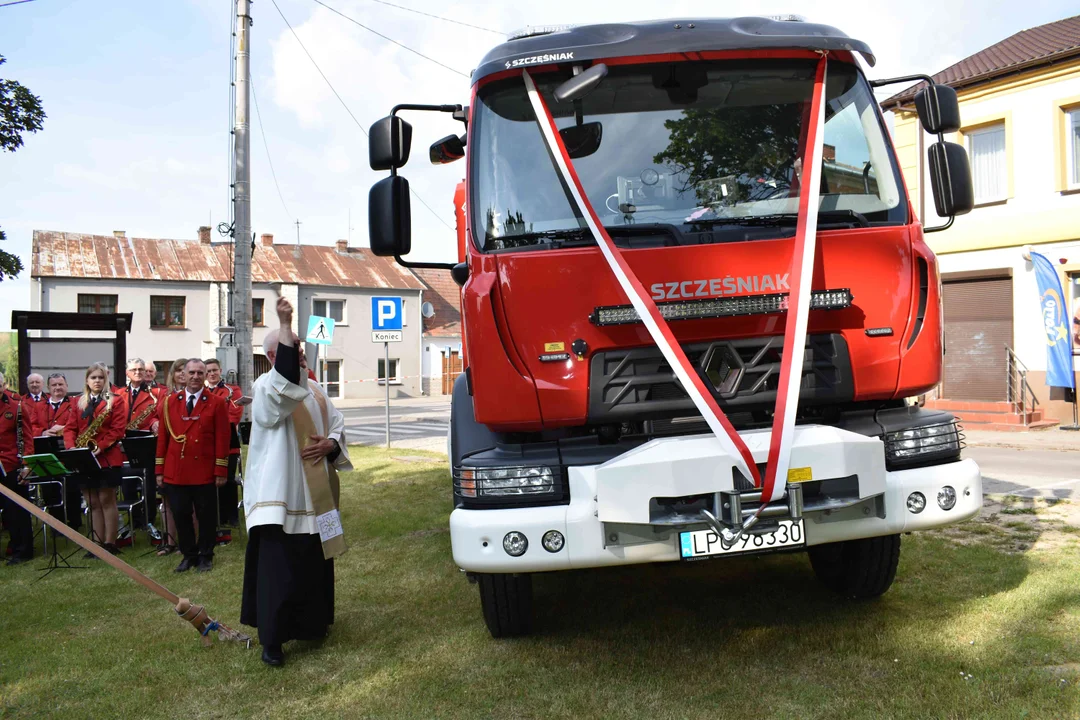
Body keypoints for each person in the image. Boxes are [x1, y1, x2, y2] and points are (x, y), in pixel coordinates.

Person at [241, 297, 352, 667]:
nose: (300, 355)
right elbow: (284, 388)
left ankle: (311, 624)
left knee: (313, 564)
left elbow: (336, 424)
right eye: (292, 349)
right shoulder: (266, 388)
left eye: (300, 349)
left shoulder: (317, 389)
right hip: (283, 497)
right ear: (274, 356)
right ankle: (272, 641)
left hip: (317, 491)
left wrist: (331, 444)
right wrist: (286, 323)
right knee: (280, 572)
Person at [155, 359, 230, 573]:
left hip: (204, 471)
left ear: (205, 375)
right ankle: (188, 555)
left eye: (200, 373)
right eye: (191, 373)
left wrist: (220, 470)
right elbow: (163, 439)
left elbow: (222, 440)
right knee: (181, 514)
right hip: (176, 470)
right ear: (183, 375)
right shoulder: (170, 402)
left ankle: (206, 555)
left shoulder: (216, 403)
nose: (195, 377)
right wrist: (159, 469)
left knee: (206, 516)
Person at [63, 362, 128, 555]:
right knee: (91, 501)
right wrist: (72, 448)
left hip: (107, 456)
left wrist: (102, 446)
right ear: (87, 380)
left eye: (101, 377)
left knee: (106, 499)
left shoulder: (115, 401)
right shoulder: (77, 402)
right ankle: (96, 544)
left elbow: (118, 430)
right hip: (83, 456)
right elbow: (70, 428)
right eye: (93, 378)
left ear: (105, 380)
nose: (97, 381)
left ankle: (110, 543)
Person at [23, 373, 82, 531]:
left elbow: (79, 424)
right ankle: (56, 524)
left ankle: (75, 522)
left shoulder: (74, 403)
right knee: (50, 490)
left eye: (61, 384)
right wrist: (43, 432)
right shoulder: (39, 406)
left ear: (66, 386)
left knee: (72, 488)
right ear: (48, 388)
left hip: (67, 451)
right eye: (54, 385)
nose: (58, 388)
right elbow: (30, 427)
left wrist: (63, 429)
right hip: (47, 453)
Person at [119, 358, 159, 541]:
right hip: (122, 443)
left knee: (148, 483)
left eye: (141, 369)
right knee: (127, 483)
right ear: (127, 373)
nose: (138, 372)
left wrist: (154, 422)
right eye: (133, 369)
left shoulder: (156, 394)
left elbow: (157, 415)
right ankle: (134, 519)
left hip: (145, 442)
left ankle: (149, 519)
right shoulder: (118, 394)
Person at [204, 358, 243, 531]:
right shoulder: (202, 391)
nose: (211, 374)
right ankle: (216, 515)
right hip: (206, 444)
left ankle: (231, 516)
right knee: (209, 480)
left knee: (228, 480)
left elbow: (234, 415)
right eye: (208, 371)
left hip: (228, 443)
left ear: (220, 371)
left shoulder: (232, 390)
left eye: (214, 370)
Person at [0, 371, 34, 565]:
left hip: (11, 465)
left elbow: (28, 439)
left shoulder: (16, 407)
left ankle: (23, 549)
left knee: (17, 511)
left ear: (4, 386)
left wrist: (26, 466)